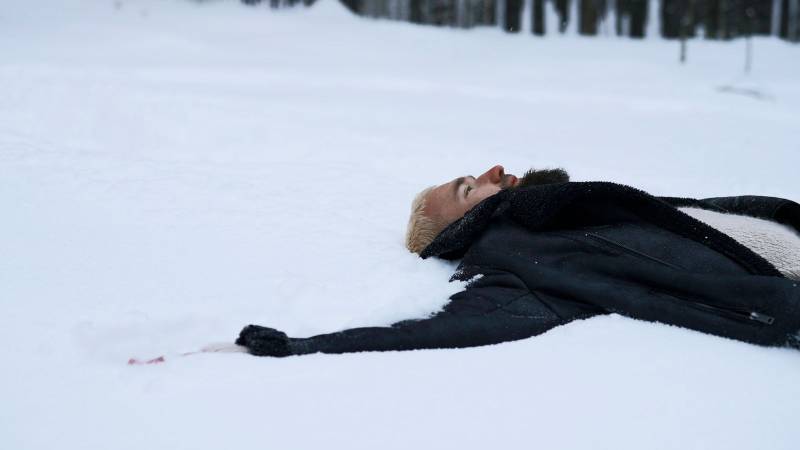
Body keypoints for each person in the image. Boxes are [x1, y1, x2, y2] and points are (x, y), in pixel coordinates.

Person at [235, 165, 800, 357]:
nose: (493, 172)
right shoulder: (516, 255)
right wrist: (305, 345)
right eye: (468, 188)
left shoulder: (551, 211)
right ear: (458, 228)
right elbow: (430, 334)